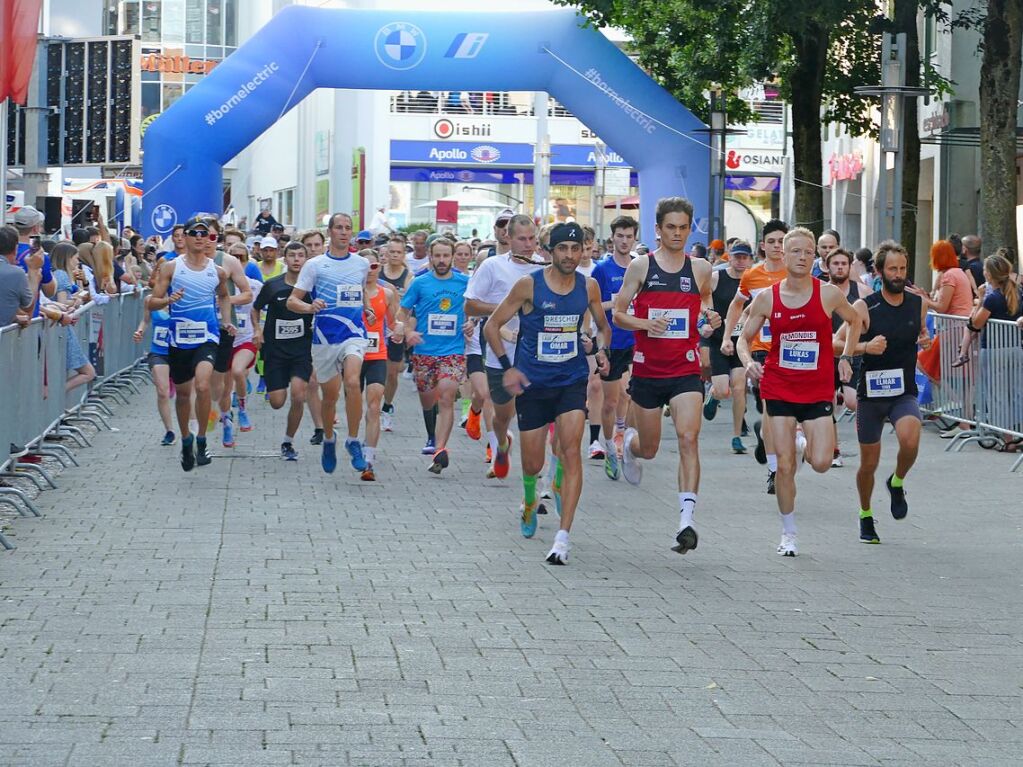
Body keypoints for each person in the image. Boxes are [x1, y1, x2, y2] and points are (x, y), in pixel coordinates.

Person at [484, 222, 611, 564]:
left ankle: (562, 537)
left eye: (575, 249)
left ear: (583, 250)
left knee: (571, 451)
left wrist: (600, 350)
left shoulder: (589, 286)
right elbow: (491, 325)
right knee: (532, 462)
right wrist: (506, 366)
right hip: (533, 384)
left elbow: (603, 326)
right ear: (549, 252)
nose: (570, 256)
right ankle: (529, 499)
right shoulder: (529, 285)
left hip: (571, 381)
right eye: (562, 249)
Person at [737, 226, 862, 556]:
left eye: (809, 251)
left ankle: (803, 441)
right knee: (785, 466)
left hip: (818, 389)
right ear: (782, 254)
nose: (803, 257)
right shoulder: (767, 297)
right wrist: (749, 361)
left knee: (821, 461)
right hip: (778, 387)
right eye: (796, 251)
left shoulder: (827, 294)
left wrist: (847, 356)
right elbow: (742, 339)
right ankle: (788, 533)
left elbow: (855, 320)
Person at [612, 197, 722, 554]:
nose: (677, 234)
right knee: (650, 448)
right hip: (647, 370)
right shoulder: (641, 266)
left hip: (685, 369)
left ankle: (686, 520)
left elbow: (706, 308)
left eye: (683, 228)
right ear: (657, 229)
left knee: (689, 438)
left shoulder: (702, 269)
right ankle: (628, 446)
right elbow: (618, 314)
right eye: (670, 227)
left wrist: (711, 320)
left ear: (691, 229)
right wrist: (646, 323)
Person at [849, 240, 931, 543]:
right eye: (892, 269)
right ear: (880, 271)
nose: (898, 274)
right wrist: (865, 347)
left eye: (903, 268)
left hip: (902, 391)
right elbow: (836, 344)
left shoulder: (917, 303)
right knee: (868, 464)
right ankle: (866, 514)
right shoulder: (864, 306)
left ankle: (897, 482)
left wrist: (924, 341)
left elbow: (920, 333)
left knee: (911, 438)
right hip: (871, 394)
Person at [287, 212, 374, 474]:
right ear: (330, 232)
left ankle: (353, 440)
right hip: (325, 338)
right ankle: (328, 438)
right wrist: (310, 306)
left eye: (348, 228)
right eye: (339, 228)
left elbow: (359, 294)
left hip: (354, 334)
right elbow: (293, 300)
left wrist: (367, 309)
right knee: (330, 397)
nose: (344, 232)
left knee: (352, 382)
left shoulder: (361, 264)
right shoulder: (315, 265)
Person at [149, 215, 237, 471]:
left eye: (205, 234)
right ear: (184, 237)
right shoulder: (171, 267)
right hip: (179, 340)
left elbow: (224, 296)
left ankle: (201, 438)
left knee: (203, 383)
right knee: (184, 394)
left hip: (207, 338)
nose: (200, 237)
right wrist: (168, 301)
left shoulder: (217, 271)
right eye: (194, 233)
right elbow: (152, 301)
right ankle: (186, 439)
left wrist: (225, 321)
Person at [465, 214, 548, 480]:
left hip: (536, 356)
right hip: (500, 354)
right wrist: (508, 308)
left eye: (532, 238)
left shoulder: (544, 268)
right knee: (502, 416)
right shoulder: (492, 266)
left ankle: (537, 479)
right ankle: (501, 444)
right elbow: (470, 305)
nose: (528, 244)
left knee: (536, 420)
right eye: (521, 239)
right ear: (508, 238)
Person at [721, 219, 789, 493]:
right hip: (762, 350)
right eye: (771, 241)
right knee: (772, 407)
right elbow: (737, 306)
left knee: (779, 413)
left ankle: (764, 435)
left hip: (792, 351)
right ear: (763, 245)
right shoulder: (752, 276)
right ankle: (774, 471)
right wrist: (728, 336)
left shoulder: (797, 274)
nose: (776, 247)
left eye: (781, 242)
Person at [397, 238, 469, 473]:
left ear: (453, 257)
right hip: (424, 352)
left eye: (445, 256)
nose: (441, 260)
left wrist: (472, 323)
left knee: (446, 397)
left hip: (453, 351)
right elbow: (403, 311)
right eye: (437, 256)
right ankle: (432, 435)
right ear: (429, 256)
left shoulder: (465, 283)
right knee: (428, 399)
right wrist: (408, 331)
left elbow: (475, 307)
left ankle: (440, 449)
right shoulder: (420, 283)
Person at [254, 241, 313, 462]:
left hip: (301, 350)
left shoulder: (311, 286)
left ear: (306, 259)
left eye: (301, 255)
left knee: (299, 395)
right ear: (284, 259)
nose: (297, 260)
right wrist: (257, 330)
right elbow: (255, 307)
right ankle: (275, 389)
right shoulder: (272, 285)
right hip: (275, 351)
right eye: (292, 256)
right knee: (278, 402)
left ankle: (288, 442)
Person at [590, 215, 638, 478]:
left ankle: (623, 439)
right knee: (610, 401)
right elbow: (594, 306)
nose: (624, 241)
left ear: (634, 238)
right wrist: (617, 303)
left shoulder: (640, 267)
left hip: (635, 339)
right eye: (620, 236)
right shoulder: (602, 269)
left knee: (629, 394)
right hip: (611, 342)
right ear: (613, 238)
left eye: (629, 236)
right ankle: (609, 445)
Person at [702, 239, 754, 453]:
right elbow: (702, 299)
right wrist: (706, 318)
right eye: (737, 257)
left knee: (739, 387)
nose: (740, 261)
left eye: (744, 257)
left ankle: (736, 436)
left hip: (742, 342)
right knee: (724, 390)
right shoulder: (716, 277)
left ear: (750, 260)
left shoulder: (754, 281)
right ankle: (714, 395)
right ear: (729, 257)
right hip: (717, 340)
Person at [826, 247, 871, 467]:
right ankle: (835, 452)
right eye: (836, 264)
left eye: (844, 263)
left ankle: (867, 444)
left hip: (852, 354)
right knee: (828, 403)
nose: (840, 267)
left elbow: (874, 318)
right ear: (828, 267)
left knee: (854, 402)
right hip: (825, 356)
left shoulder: (862, 292)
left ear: (850, 266)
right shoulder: (822, 292)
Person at [358, 248, 400, 480]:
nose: (369, 271)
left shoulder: (388, 293)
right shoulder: (352, 293)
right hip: (353, 356)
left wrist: (400, 329)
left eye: (373, 266)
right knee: (354, 407)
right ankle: (354, 440)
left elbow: (394, 322)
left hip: (377, 355)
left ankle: (369, 460)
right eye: (364, 267)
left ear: (379, 267)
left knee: (374, 406)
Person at [133, 261, 176, 445]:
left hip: (180, 350)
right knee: (162, 391)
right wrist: (140, 330)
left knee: (187, 393)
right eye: (157, 272)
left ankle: (191, 427)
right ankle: (170, 431)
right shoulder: (150, 299)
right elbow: (145, 320)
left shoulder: (181, 297)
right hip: (158, 351)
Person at [379, 236, 412, 431]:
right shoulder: (378, 273)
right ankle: (376, 403)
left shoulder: (408, 276)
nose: (395, 255)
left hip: (396, 328)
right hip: (378, 328)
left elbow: (408, 302)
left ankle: (387, 405)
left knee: (393, 373)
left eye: (399, 252)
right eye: (392, 252)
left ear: (403, 254)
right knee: (379, 369)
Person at [914, 240, 972, 316]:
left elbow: (941, 308)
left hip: (954, 324)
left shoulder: (949, 275)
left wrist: (922, 299)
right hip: (961, 322)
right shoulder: (959, 272)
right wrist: (926, 297)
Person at [0, 225, 36, 327]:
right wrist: (34, 277)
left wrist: (13, 317)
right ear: (16, 248)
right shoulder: (16, 273)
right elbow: (28, 308)